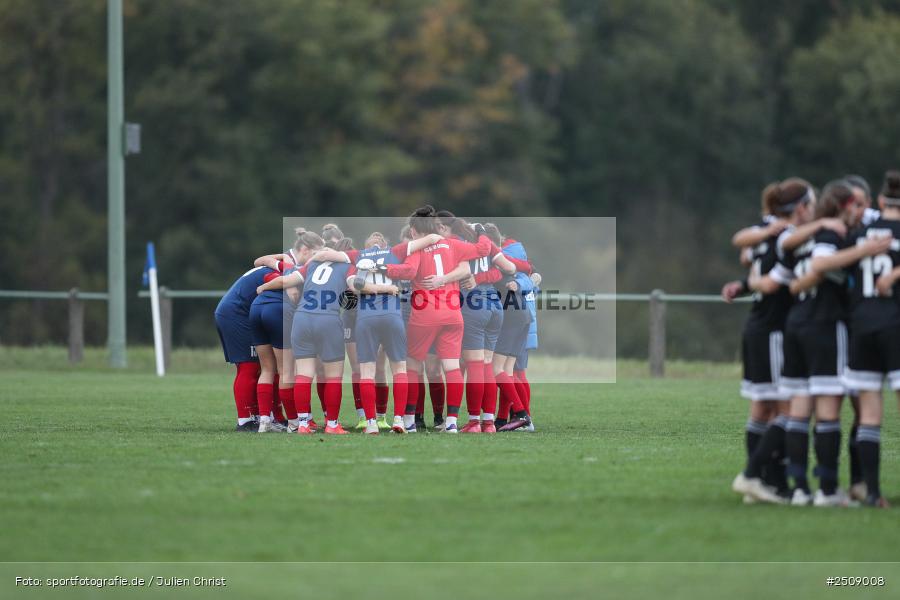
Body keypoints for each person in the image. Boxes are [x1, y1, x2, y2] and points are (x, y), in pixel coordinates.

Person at [811, 171, 900, 508]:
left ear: (881, 201)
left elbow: (826, 265)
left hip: (861, 327)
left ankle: (872, 492)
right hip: (895, 326)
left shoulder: (857, 235)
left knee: (869, 415)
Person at [383, 206, 495, 433]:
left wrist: (384, 268)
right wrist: (481, 231)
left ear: (413, 231)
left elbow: (407, 272)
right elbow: (483, 249)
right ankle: (452, 421)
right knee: (452, 367)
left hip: (425, 313)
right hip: (453, 314)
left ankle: (409, 420)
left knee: (412, 365)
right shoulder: (452, 244)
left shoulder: (416, 250)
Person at [215, 258, 286, 432]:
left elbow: (259, 261)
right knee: (249, 367)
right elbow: (276, 280)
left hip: (247, 314)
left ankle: (272, 416)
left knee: (269, 366)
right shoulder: (278, 271)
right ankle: (246, 420)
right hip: (237, 315)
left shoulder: (280, 264)